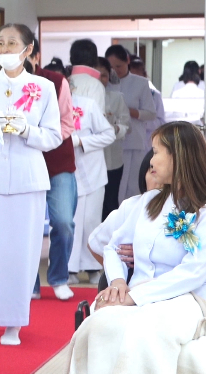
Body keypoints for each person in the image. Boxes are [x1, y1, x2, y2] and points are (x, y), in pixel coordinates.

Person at [54, 121, 206, 374]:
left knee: (145, 329)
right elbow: (112, 247)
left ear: (180, 157)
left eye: (157, 152)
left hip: (184, 299)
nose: (151, 161)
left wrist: (135, 298)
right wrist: (119, 282)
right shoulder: (151, 202)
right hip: (137, 292)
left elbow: (194, 272)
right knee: (102, 321)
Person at [0, 23, 62, 346]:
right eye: (0, 43)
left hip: (27, 179)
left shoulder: (43, 87)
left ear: (28, 50)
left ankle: (14, 323)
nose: (6, 49)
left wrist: (26, 131)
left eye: (13, 43)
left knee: (21, 253)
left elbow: (54, 136)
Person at [66, 40, 126, 282]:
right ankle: (88, 267)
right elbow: (101, 125)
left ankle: (73, 267)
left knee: (75, 216)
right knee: (89, 217)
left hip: (77, 154)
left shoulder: (64, 82)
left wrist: (79, 141)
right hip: (85, 156)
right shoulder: (94, 85)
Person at [29, 61, 77, 301]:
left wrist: (40, 137)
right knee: (26, 227)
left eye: (14, 44)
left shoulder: (56, 82)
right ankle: (30, 283)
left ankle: (58, 276)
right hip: (23, 165)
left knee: (63, 222)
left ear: (32, 53)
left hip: (58, 162)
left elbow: (67, 123)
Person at [106, 45, 165, 205]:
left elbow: (151, 113)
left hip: (134, 142)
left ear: (127, 61)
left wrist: (129, 111)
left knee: (133, 187)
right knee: (113, 188)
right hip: (110, 143)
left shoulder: (140, 83)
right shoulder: (105, 83)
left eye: (119, 66)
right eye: (111, 67)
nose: (115, 70)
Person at [94, 56, 131, 218]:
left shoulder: (117, 97)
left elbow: (126, 126)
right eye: (97, 74)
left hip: (113, 160)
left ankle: (110, 238)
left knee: (110, 201)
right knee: (94, 203)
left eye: (104, 75)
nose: (100, 79)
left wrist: (114, 129)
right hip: (91, 160)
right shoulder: (83, 98)